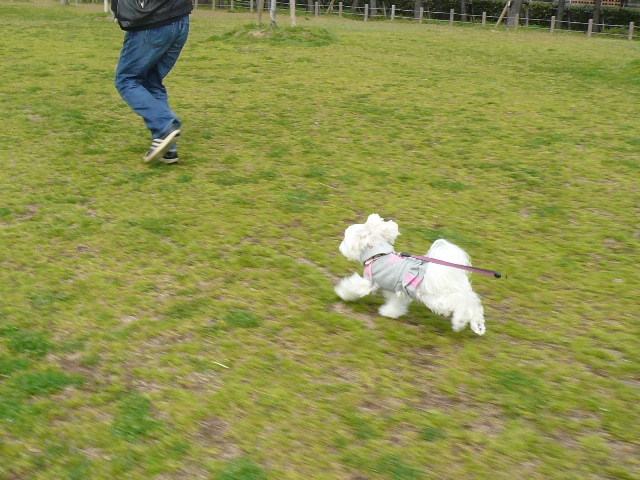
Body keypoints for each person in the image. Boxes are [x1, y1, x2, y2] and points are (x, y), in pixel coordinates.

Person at [112, 0, 193, 164]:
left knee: (126, 79)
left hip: (152, 22)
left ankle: (165, 126)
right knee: (152, 82)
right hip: (180, 20)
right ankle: (168, 149)